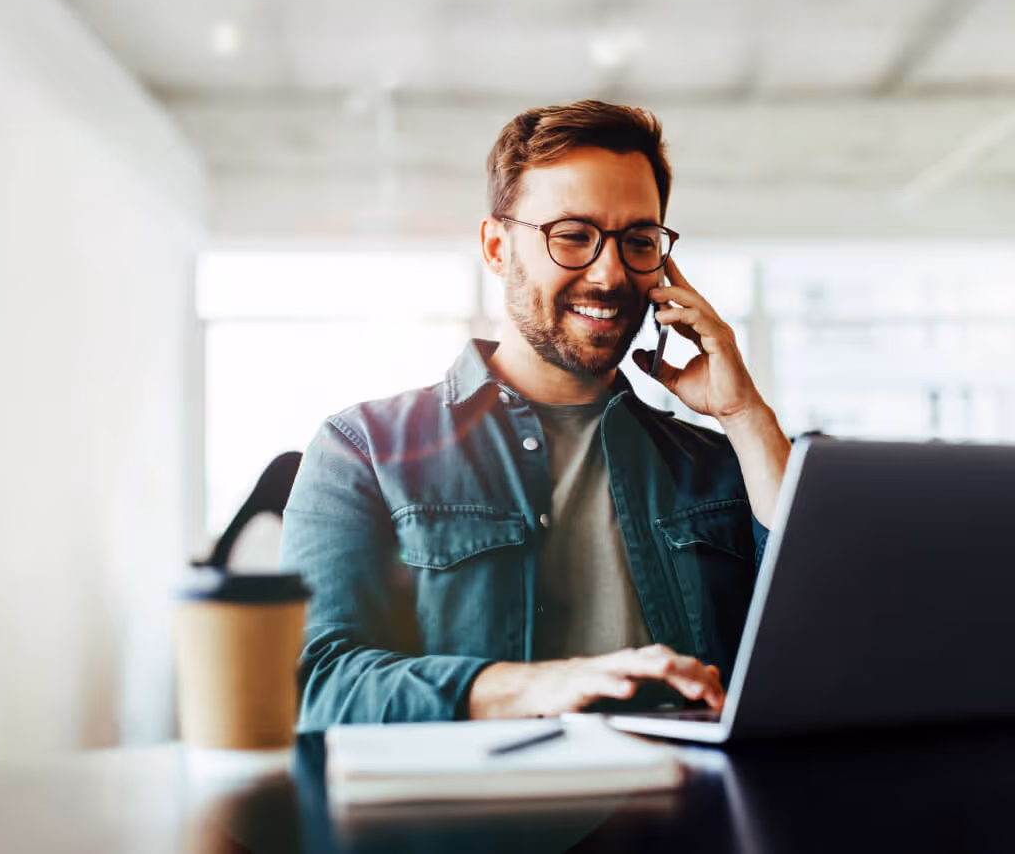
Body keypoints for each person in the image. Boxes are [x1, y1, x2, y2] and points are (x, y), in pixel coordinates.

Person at [279, 100, 791, 729]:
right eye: (572, 235)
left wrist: (744, 414)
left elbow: (826, 652)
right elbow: (314, 684)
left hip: (690, 817)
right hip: (479, 821)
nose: (609, 274)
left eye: (638, 241)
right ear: (497, 246)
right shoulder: (363, 450)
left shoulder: (716, 465)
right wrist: (545, 686)